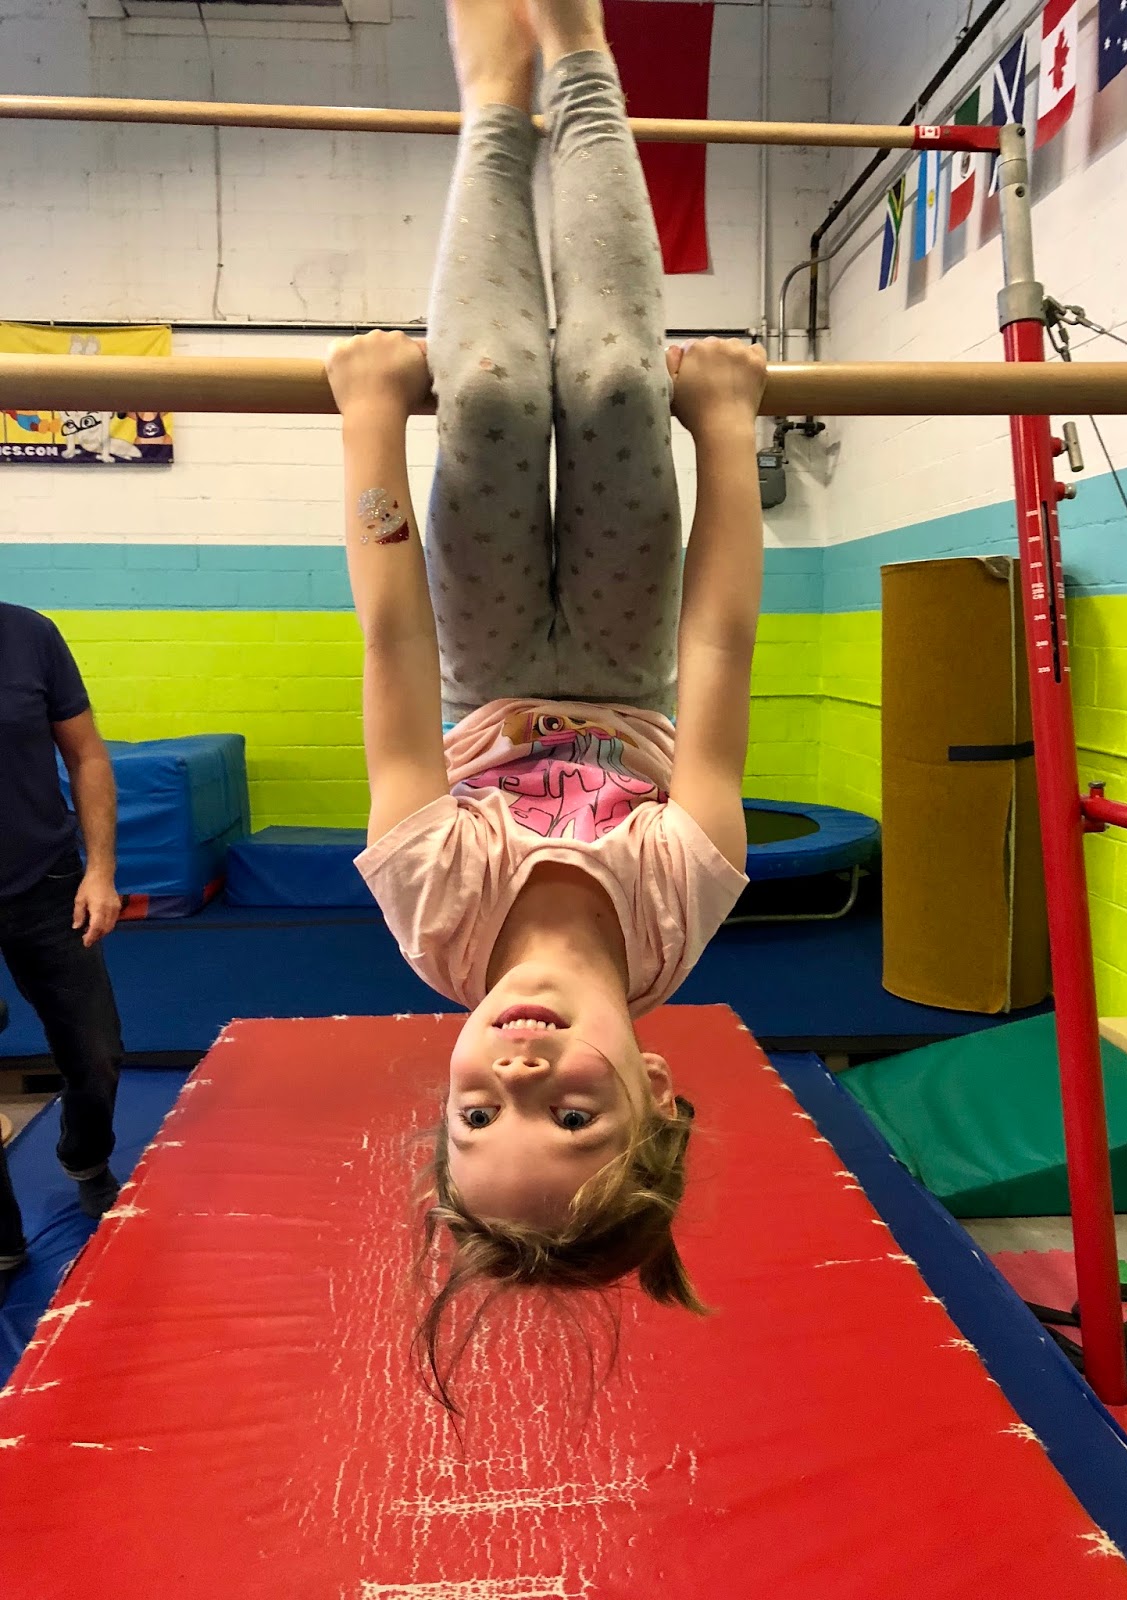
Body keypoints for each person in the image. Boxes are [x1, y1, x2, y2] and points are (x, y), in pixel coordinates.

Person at [324, 0, 766, 1399]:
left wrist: (371, 423)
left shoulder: (435, 908)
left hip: (486, 657)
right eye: (572, 1117)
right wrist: (730, 434)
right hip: (631, 665)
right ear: (658, 1095)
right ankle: (579, 62)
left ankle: (491, 108)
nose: (515, 1074)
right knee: (625, 382)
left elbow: (395, 650)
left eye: (474, 1114)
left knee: (498, 393)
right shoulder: (680, 899)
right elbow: (718, 649)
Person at [0, 603, 125, 1306]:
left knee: (96, 1049)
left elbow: (87, 754)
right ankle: (2, 1240)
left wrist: (99, 870)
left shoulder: (29, 635)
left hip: (45, 881)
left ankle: (87, 1158)